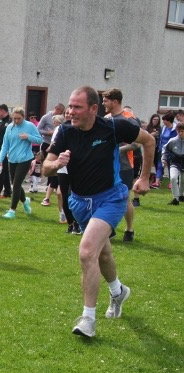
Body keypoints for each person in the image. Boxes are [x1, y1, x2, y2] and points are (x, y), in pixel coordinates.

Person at [43, 85, 155, 338]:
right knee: (101, 253)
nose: (71, 112)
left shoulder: (114, 127)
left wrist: (145, 177)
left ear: (94, 109)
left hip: (111, 198)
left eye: (77, 107)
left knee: (86, 251)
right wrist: (56, 163)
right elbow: (45, 168)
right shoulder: (65, 133)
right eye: (70, 106)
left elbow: (148, 141)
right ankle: (117, 292)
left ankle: (88, 319)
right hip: (80, 202)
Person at [102, 88, 142, 243]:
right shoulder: (106, 118)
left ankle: (129, 229)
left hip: (124, 166)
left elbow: (137, 144)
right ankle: (108, 229)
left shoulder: (129, 119)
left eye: (105, 101)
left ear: (115, 101)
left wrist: (118, 150)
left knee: (124, 199)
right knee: (105, 197)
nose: (103, 104)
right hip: (107, 166)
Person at [0, 107, 42, 219]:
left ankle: (12, 211)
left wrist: (28, 137)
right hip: (12, 159)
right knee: (15, 184)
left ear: (23, 117)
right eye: (14, 118)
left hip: (25, 159)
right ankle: (25, 201)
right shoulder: (10, 127)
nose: (16, 121)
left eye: (19, 118)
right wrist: (0, 160)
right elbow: (5, 145)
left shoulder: (30, 126)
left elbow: (39, 140)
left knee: (15, 185)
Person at [152, 113, 177, 188]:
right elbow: (161, 138)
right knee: (159, 165)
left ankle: (171, 183)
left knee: (171, 166)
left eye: (164, 120)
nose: (163, 122)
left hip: (171, 151)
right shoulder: (163, 128)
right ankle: (157, 182)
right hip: (162, 149)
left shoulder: (175, 129)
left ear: (169, 121)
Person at [162, 122, 184, 205]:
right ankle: (176, 198)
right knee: (173, 178)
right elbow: (165, 150)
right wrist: (163, 159)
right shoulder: (172, 141)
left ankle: (181, 195)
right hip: (175, 161)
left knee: (183, 180)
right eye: (179, 131)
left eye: (182, 131)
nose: (180, 133)